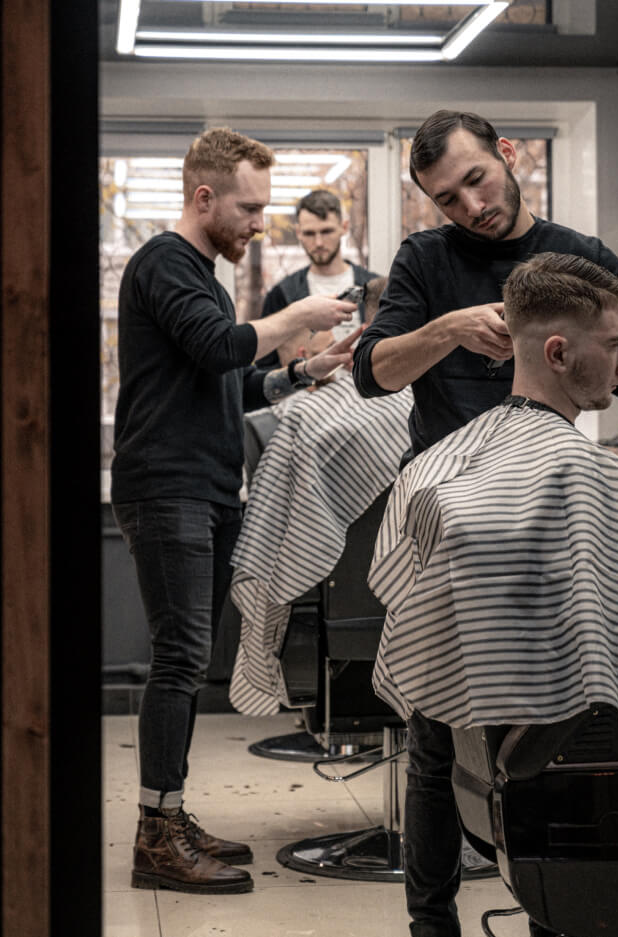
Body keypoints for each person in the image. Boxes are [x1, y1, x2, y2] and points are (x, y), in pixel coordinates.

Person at [352, 110, 618, 937]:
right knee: (436, 741)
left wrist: (610, 366)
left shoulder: (578, 259)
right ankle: (431, 923)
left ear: (507, 154)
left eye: (476, 179)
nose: (470, 206)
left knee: (551, 730)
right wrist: (446, 329)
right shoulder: (426, 261)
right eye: (447, 198)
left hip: (545, 522)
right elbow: (372, 372)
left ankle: (554, 906)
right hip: (453, 523)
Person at [111, 126, 361, 896]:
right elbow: (223, 347)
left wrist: (305, 371)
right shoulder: (164, 263)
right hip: (168, 486)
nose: (260, 224)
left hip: (212, 488)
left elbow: (234, 381)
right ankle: (156, 835)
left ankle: (171, 811)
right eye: (250, 209)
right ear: (204, 197)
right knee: (181, 657)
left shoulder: (207, 280)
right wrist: (301, 315)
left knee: (191, 659)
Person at [257, 188, 379, 367]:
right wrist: (301, 370)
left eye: (326, 231)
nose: (319, 242)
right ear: (298, 233)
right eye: (309, 233)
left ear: (344, 227)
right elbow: (265, 369)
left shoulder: (376, 290)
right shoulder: (282, 294)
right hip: (306, 386)